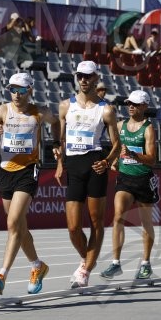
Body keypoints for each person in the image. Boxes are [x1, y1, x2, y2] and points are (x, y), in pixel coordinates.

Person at [0, 72, 59, 296]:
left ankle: (2, 275)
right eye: (12, 90)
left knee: (13, 222)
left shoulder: (39, 112)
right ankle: (37, 266)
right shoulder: (1, 111)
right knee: (19, 226)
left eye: (21, 90)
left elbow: (55, 123)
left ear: (30, 91)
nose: (16, 94)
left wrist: (57, 143)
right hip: (7, 170)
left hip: (29, 170)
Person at [54, 60, 122, 288]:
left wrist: (107, 161)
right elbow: (61, 140)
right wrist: (59, 162)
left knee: (96, 221)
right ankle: (88, 258)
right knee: (73, 227)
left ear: (95, 78)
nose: (83, 80)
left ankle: (85, 269)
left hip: (95, 164)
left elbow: (116, 143)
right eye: (80, 76)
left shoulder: (106, 109)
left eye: (88, 76)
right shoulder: (65, 106)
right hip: (73, 164)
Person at [99, 90, 159, 280]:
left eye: (134, 104)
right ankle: (116, 263)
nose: (130, 106)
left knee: (146, 222)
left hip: (143, 179)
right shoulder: (120, 125)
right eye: (128, 103)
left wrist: (133, 155)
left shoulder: (148, 128)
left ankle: (145, 263)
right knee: (117, 217)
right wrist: (115, 159)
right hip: (125, 178)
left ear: (144, 106)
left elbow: (152, 159)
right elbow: (116, 148)